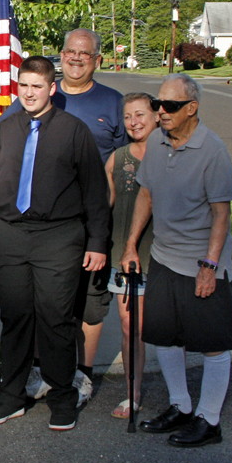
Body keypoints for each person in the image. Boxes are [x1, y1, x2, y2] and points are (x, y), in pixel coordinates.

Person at [0, 56, 110, 432]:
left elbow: (95, 193)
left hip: (59, 237)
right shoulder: (5, 129)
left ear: (52, 88)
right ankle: (12, 395)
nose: (29, 93)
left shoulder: (74, 131)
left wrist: (97, 242)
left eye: (37, 86)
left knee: (56, 319)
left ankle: (62, 395)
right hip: (10, 235)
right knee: (15, 318)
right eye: (24, 86)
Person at [5, 29, 126, 404]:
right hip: (51, 227)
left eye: (85, 54)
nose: (76, 58)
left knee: (89, 303)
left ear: (97, 60)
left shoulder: (112, 102)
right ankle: (44, 370)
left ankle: (83, 374)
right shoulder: (36, 100)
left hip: (95, 219)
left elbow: (131, 156)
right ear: (61, 56)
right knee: (48, 301)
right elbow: (0, 133)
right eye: (71, 52)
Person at [127, 74, 232, 448]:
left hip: (200, 261)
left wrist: (209, 266)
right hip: (163, 255)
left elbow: (221, 214)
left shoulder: (213, 150)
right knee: (165, 337)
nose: (161, 112)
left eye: (170, 106)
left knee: (211, 343)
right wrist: (131, 245)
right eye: (159, 105)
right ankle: (181, 405)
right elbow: (146, 195)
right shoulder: (157, 142)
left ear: (192, 108)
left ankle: (210, 420)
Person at [104, 92, 158, 418]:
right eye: (127, 117)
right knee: (130, 328)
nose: (134, 122)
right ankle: (133, 392)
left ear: (155, 116)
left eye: (140, 115)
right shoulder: (118, 158)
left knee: (166, 327)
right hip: (125, 257)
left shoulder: (170, 154)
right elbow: (102, 204)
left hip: (165, 255)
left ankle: (182, 395)